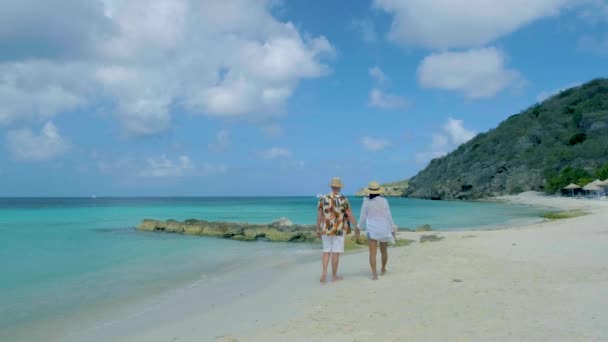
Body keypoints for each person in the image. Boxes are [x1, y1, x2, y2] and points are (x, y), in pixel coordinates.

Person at [316, 177, 359, 284]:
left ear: (331, 186)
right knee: (335, 253)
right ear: (339, 187)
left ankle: (324, 273)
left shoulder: (323, 198)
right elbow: (349, 214)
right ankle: (334, 276)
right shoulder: (343, 199)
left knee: (326, 251)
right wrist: (356, 227)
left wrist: (317, 228)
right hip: (338, 230)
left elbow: (319, 215)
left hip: (325, 229)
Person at [359, 181, 398, 280]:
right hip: (383, 229)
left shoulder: (366, 202)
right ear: (379, 191)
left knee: (372, 253)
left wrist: (358, 227)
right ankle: (383, 269)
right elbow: (388, 215)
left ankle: (374, 274)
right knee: (384, 251)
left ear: (369, 191)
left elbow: (363, 217)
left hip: (372, 230)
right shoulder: (384, 201)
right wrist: (392, 227)